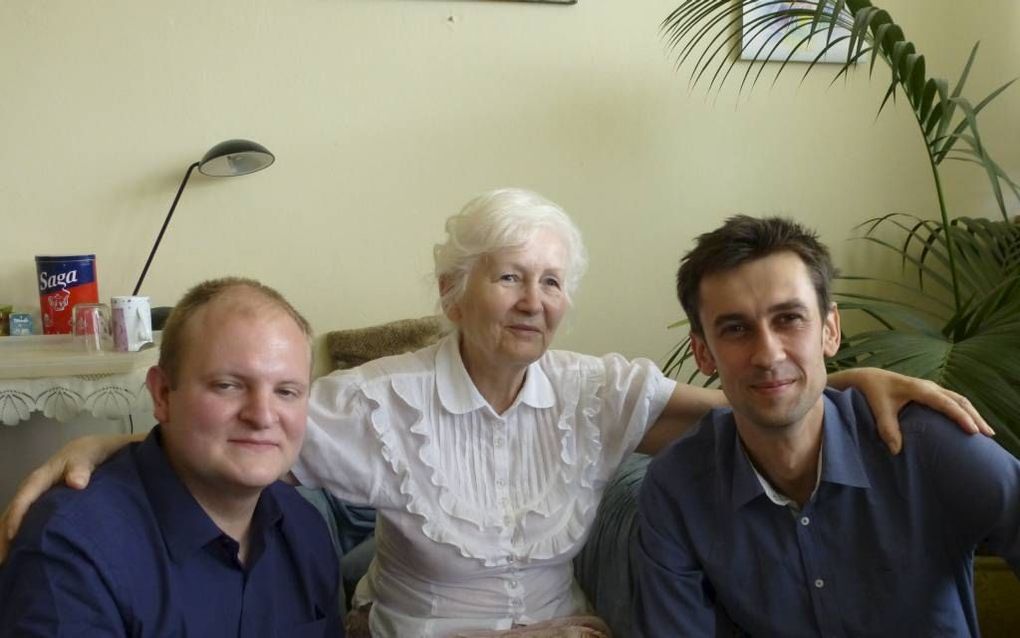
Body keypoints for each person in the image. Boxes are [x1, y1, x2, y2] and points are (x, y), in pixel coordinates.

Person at [0, 191, 990, 638]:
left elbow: (761, 399)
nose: (531, 299)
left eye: (552, 280)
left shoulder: (605, 391)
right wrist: (115, 441)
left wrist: (852, 381)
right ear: (452, 290)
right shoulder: (376, 400)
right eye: (507, 275)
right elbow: (242, 432)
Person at [633, 215, 1020, 636]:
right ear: (703, 353)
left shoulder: (929, 445)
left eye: (789, 319)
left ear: (830, 329)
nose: (767, 354)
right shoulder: (676, 491)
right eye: (736, 328)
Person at [0, 278, 342, 637]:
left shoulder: (306, 529)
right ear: (162, 394)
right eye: (228, 386)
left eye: (286, 391)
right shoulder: (72, 548)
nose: (262, 415)